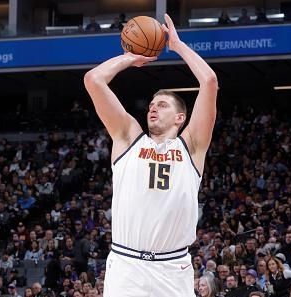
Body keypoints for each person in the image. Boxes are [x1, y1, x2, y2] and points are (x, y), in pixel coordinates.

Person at [84, 13, 218, 297]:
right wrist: (130, 58)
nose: (152, 109)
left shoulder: (192, 146)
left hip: (173, 269)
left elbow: (209, 82)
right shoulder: (128, 137)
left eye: (162, 105)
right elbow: (94, 80)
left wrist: (178, 46)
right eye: (151, 105)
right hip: (126, 266)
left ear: (180, 117)